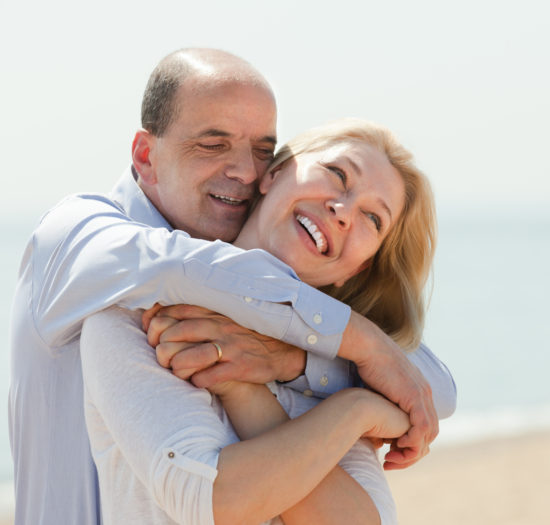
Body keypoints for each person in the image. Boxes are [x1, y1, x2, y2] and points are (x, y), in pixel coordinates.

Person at [9, 48, 454, 525]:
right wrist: (361, 350)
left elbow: (436, 391)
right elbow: (173, 269)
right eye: (213, 144)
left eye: (263, 150)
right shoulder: (92, 257)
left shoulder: (286, 325)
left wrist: (300, 362)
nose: (246, 171)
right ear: (146, 154)